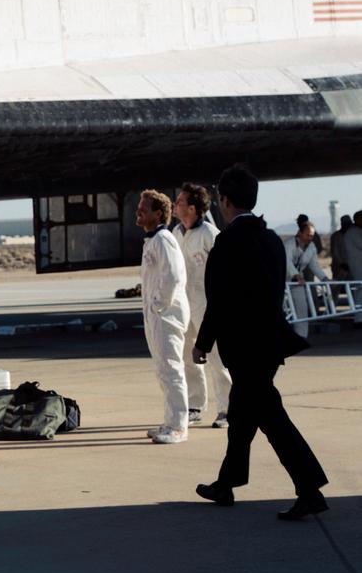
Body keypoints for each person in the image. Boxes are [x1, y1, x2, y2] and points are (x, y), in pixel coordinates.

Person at [194, 164, 328, 520]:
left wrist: (202, 343)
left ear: (224, 201)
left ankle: (310, 488)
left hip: (244, 347)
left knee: (270, 416)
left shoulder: (228, 243)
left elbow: (219, 300)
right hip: (269, 344)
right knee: (242, 412)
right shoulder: (271, 239)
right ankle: (226, 483)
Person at [173, 183, 232, 428]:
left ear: (193, 208)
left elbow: (226, 270)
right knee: (188, 355)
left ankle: (228, 409)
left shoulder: (210, 234)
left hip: (209, 305)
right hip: (184, 304)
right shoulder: (176, 233)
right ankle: (195, 404)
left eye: (180, 202)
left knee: (218, 357)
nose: (176, 205)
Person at [137, 188, 191, 444]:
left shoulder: (164, 239)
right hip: (157, 315)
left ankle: (179, 425)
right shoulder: (152, 240)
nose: (139, 211)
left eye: (144, 209)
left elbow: (174, 276)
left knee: (171, 367)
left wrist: (158, 304)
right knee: (163, 369)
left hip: (166, 314)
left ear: (158, 214)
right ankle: (170, 420)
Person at [285, 220, 329, 338]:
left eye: (312, 236)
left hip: (297, 282)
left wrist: (324, 278)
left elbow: (314, 265)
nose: (309, 238)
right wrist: (295, 274)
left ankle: (301, 337)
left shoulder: (311, 247)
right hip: (283, 280)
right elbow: (287, 262)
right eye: (307, 235)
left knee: (302, 308)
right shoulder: (289, 244)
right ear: (300, 232)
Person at [329, 214, 352, 281]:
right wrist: (342, 264)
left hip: (351, 267)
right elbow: (335, 252)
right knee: (337, 286)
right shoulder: (336, 236)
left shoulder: (353, 235)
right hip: (339, 268)